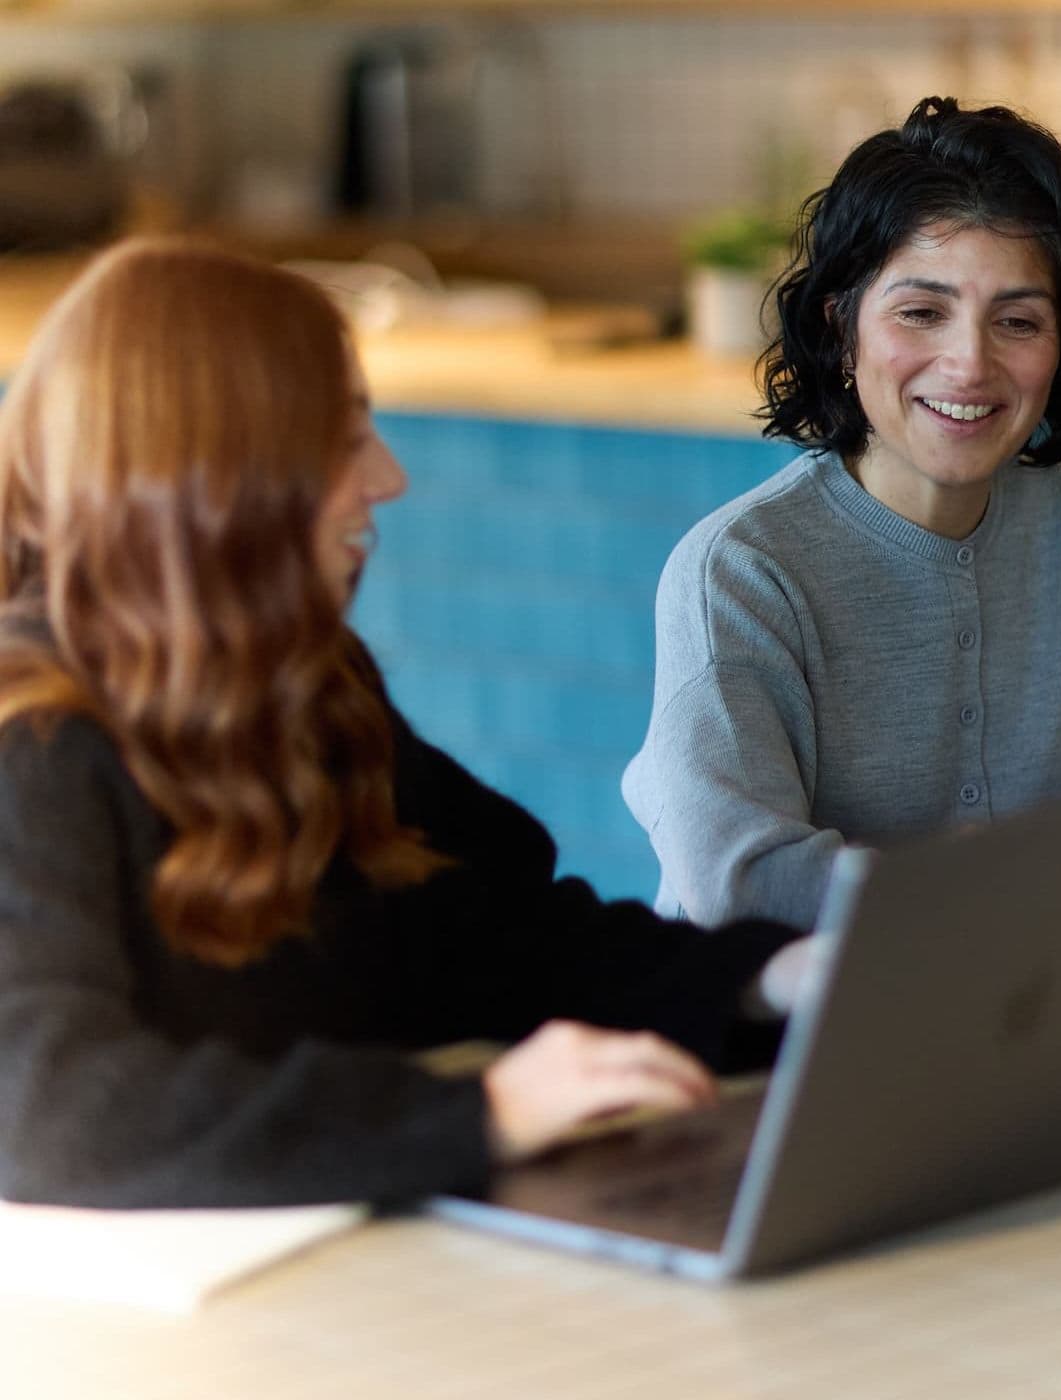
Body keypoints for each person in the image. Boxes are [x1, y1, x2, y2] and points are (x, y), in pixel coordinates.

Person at [0, 236, 810, 1210]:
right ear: (213, 477)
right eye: (341, 440)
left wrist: (765, 977)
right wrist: (479, 1113)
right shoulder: (33, 750)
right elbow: (43, 1105)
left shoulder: (305, 684)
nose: (386, 477)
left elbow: (489, 933)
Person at [623, 96, 1061, 931]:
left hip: (1021, 1021)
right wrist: (1045, 889)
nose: (969, 363)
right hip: (776, 1038)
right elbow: (740, 880)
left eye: (1017, 321)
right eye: (921, 312)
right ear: (840, 326)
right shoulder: (741, 573)